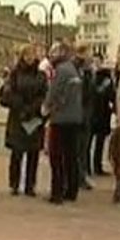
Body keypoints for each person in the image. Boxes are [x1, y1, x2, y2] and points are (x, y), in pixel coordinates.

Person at [0, 44, 48, 197]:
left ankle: (30, 185)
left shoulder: (40, 75)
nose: (30, 57)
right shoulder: (14, 74)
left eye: (32, 54)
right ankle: (14, 184)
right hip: (17, 118)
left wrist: (34, 108)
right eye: (27, 55)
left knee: (33, 154)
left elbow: (44, 95)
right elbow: (7, 94)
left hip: (34, 118)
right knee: (17, 153)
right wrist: (20, 105)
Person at [44, 42, 83, 204]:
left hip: (60, 119)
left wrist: (46, 108)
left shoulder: (60, 71)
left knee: (56, 157)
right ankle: (72, 190)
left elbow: (53, 93)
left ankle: (57, 192)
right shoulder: (73, 70)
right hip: (75, 117)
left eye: (54, 52)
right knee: (71, 156)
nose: (51, 55)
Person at [73, 44, 96, 190]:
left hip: (86, 113)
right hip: (78, 113)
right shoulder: (77, 70)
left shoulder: (87, 71)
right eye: (90, 53)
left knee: (83, 147)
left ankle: (81, 176)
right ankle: (77, 177)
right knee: (78, 147)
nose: (92, 57)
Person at [88, 61, 115, 177]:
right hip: (103, 114)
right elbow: (112, 97)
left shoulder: (92, 79)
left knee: (88, 143)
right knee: (100, 143)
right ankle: (97, 166)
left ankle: (87, 167)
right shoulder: (108, 82)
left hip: (91, 113)